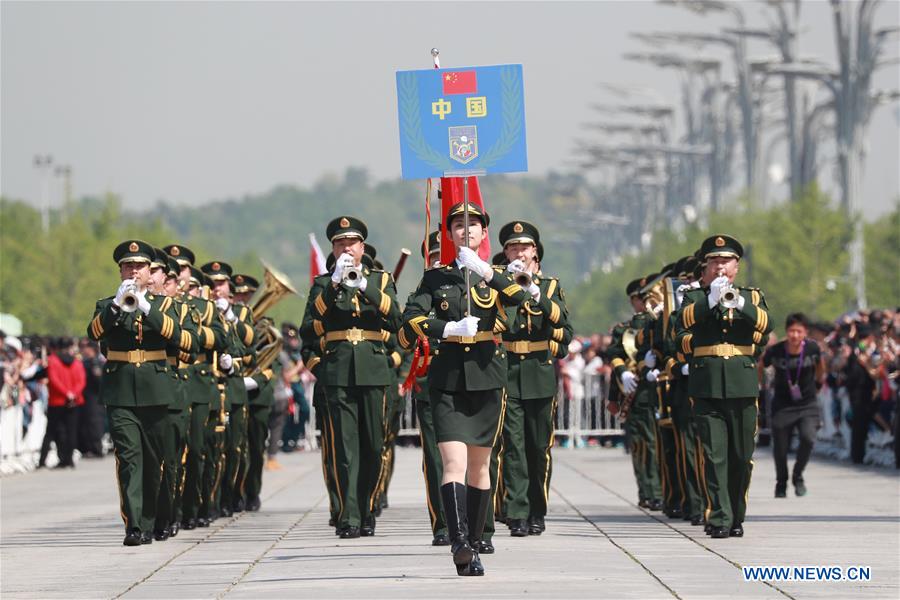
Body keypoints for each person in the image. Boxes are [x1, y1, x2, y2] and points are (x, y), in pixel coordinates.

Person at [399, 202, 533, 576]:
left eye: (473, 225)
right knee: (453, 462)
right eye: (459, 225)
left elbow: (526, 303)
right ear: (450, 233)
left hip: (488, 376)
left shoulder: (500, 275)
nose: (466, 231)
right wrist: (447, 329)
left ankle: (474, 543)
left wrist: (489, 273)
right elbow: (408, 321)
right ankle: (458, 540)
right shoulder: (435, 278)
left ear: (484, 234)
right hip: (448, 378)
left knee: (481, 466)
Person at [300, 215, 401, 538]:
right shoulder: (321, 284)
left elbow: (397, 320)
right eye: (340, 243)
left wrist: (364, 286)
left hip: (374, 370)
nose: (347, 248)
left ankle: (368, 507)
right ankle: (349, 515)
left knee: (373, 445)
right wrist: (334, 285)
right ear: (333, 249)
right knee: (344, 449)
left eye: (351, 243)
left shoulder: (381, 281)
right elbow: (309, 327)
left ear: (362, 247)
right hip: (338, 371)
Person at [675, 234, 773, 539]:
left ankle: (736, 514)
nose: (720, 267)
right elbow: (680, 334)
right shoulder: (694, 298)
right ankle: (718, 515)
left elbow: (765, 328)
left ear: (736, 266)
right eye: (715, 261)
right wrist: (711, 301)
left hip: (743, 383)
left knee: (741, 456)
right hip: (706, 384)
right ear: (706, 265)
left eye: (726, 261)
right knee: (714, 455)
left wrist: (738, 303)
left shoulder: (752, 297)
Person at [86, 239, 183, 546]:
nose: (133, 271)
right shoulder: (107, 305)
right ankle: (135, 525)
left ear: (148, 271)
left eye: (139, 266)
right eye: (128, 266)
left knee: (157, 461)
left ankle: (157, 518)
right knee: (129, 459)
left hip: (157, 390)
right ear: (120, 272)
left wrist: (146, 308)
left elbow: (177, 336)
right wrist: (116, 306)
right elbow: (94, 333)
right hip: (120, 391)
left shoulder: (165, 305)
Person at [496, 220, 572, 537]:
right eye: (513, 247)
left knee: (538, 447)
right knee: (512, 447)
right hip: (508, 371)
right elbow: (499, 324)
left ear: (535, 253)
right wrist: (511, 288)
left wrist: (534, 292)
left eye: (524, 247)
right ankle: (516, 513)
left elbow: (564, 328)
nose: (519, 252)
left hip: (540, 371)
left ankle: (537, 511)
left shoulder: (551, 287)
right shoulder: (496, 284)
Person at [761, 312, 825, 498]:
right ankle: (781, 481)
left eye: (799, 331)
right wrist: (759, 387)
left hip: (807, 403)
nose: (795, 335)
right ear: (786, 332)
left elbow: (821, 367)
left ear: (805, 332)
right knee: (780, 447)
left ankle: (798, 476)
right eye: (791, 331)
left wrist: (819, 384)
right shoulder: (777, 350)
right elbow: (761, 364)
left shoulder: (812, 348)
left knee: (808, 438)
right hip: (782, 404)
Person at [44, 337, 86, 468]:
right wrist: (73, 393)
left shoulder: (53, 360)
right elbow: (81, 381)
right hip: (74, 400)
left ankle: (53, 459)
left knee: (53, 432)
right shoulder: (77, 362)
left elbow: (54, 379)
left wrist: (66, 393)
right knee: (71, 431)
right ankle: (69, 459)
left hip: (57, 400)